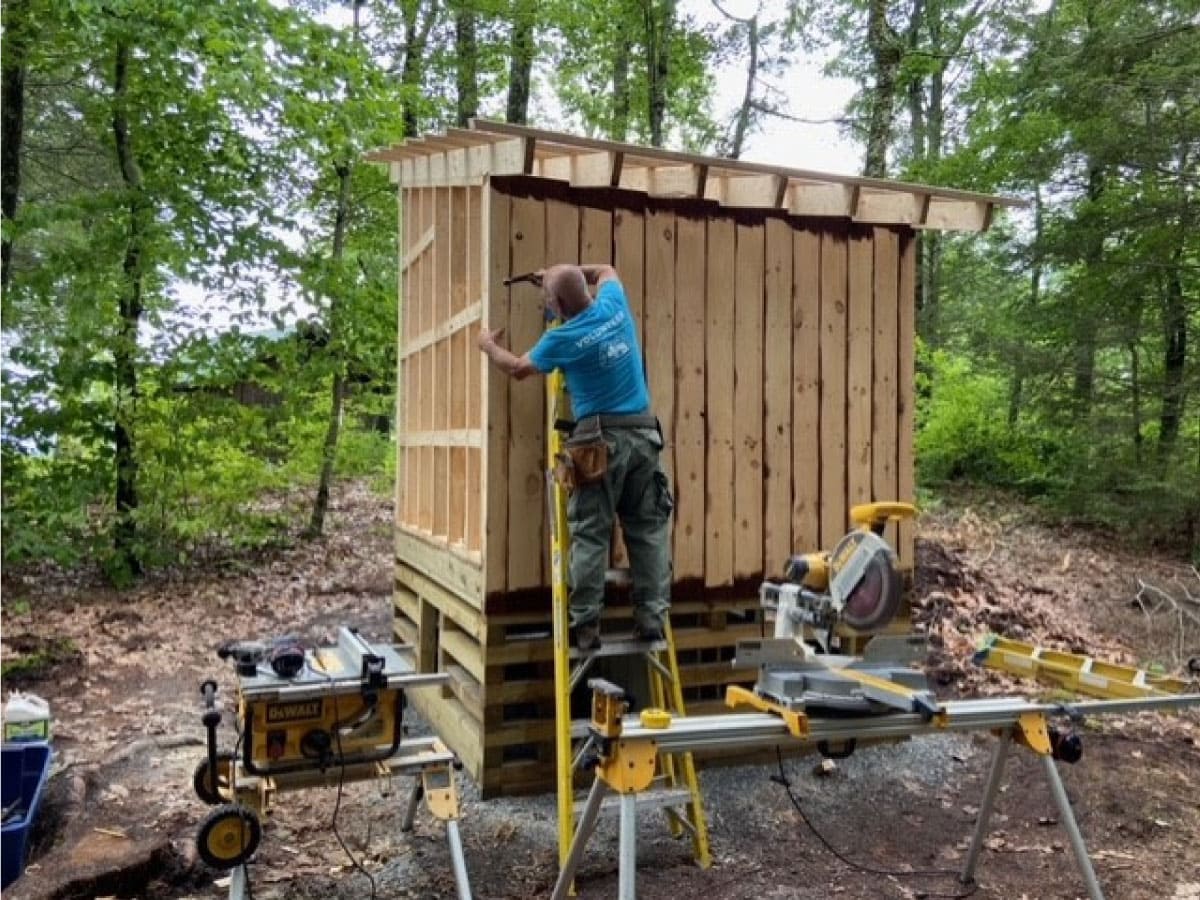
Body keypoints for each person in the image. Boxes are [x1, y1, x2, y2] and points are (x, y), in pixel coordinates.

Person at [477, 263, 673, 651]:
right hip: (643, 436)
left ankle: (586, 627)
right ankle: (651, 620)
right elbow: (608, 269)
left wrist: (487, 344)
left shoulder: (561, 339)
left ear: (559, 304)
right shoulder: (614, 304)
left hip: (598, 442)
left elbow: (517, 368)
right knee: (648, 532)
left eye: (548, 300)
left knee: (590, 533)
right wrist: (560, 272)